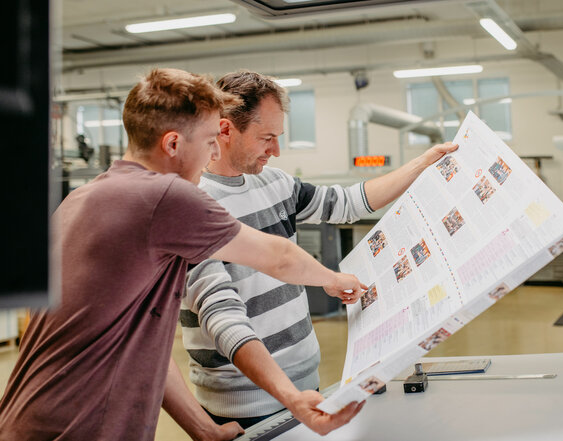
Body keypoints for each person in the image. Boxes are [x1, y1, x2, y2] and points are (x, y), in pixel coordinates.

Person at [0, 68, 366, 441]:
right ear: (173, 144)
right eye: (209, 141)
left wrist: (204, 429)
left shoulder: (80, 201)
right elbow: (279, 257)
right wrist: (335, 280)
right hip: (80, 427)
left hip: (28, 419)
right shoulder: (166, 197)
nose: (213, 153)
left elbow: (143, 345)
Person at [172, 70, 458, 434]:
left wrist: (423, 163)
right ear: (225, 131)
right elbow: (221, 315)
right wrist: (288, 393)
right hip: (244, 404)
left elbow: (350, 203)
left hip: (306, 387)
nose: (276, 150)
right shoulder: (193, 206)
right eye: (267, 138)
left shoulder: (275, 183)